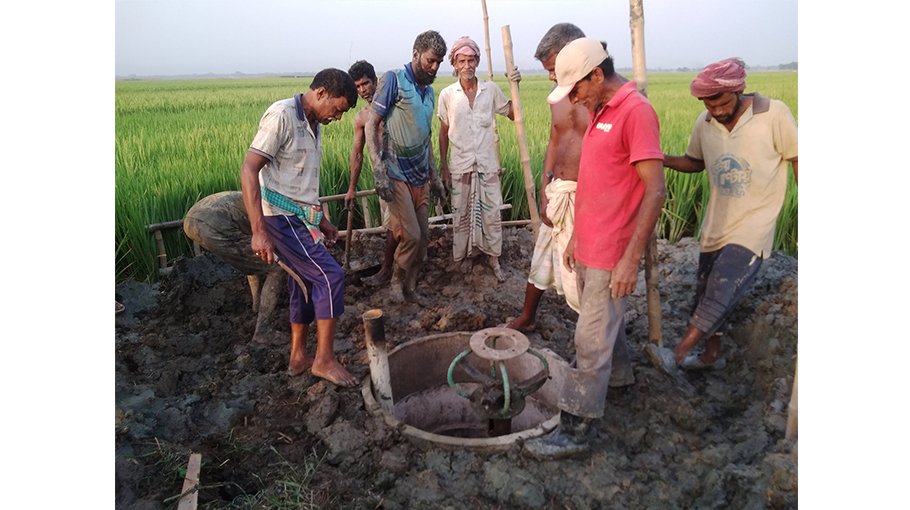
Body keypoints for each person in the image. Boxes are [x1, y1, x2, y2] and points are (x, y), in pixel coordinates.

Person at [523, 38, 666, 459]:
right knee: (603, 328)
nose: (573, 100)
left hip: (613, 252)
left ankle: (577, 431)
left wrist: (630, 259)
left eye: (577, 90)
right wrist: (578, 237)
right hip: (590, 244)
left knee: (588, 340)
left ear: (597, 75)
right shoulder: (601, 110)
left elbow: (654, 190)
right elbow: (596, 180)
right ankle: (618, 382)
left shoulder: (635, 111)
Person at [646, 57, 798, 372]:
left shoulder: (773, 114)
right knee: (705, 291)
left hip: (754, 224)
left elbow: (797, 157)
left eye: (722, 102)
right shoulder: (704, 123)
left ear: (738, 90)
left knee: (721, 288)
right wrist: (659, 158)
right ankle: (711, 356)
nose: (716, 110)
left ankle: (676, 355)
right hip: (716, 224)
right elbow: (695, 162)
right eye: (709, 104)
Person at [240, 68, 359, 387]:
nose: (338, 117)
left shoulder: (314, 123)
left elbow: (299, 182)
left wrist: (322, 220)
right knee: (330, 277)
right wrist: (258, 231)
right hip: (280, 218)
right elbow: (249, 170)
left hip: (299, 218)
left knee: (304, 283)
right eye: (338, 109)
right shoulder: (282, 116)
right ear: (321, 93)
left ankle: (297, 357)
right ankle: (324, 359)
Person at [506, 22, 587, 330]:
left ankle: (592, 333)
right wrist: (544, 185)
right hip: (559, 190)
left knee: (579, 270)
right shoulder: (557, 96)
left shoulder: (598, 98)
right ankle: (527, 316)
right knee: (542, 255)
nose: (552, 76)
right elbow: (555, 139)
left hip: (585, 194)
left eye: (554, 68)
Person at [365, 30, 448, 302]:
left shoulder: (430, 92)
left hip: (420, 177)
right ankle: (396, 283)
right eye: (430, 60)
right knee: (410, 235)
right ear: (415, 54)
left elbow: (426, 139)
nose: (434, 67)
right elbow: (371, 124)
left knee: (422, 241)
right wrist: (378, 170)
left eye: (438, 62)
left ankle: (411, 288)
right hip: (396, 174)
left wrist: (435, 177)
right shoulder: (394, 80)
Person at [437, 36, 518, 282]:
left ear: (477, 61)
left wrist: (515, 85)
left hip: (487, 164)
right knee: (461, 213)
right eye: (462, 61)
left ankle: (493, 258)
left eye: (471, 60)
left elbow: (513, 114)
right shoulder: (448, 95)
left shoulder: (490, 90)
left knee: (491, 213)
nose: (467, 65)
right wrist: (444, 167)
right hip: (460, 163)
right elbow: (443, 132)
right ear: (454, 64)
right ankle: (462, 257)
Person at [184, 191, 287, 345]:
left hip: (191, 220)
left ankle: (256, 306)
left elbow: (252, 256)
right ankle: (263, 331)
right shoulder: (271, 211)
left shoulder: (251, 200)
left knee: (253, 259)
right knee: (276, 269)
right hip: (213, 223)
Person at [344, 60, 399, 286]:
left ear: (375, 80)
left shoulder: (394, 108)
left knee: (400, 225)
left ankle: (389, 270)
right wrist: (351, 188)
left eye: (365, 83)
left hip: (403, 173)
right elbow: (357, 154)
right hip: (383, 179)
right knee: (392, 226)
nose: (363, 90)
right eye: (357, 86)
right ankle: (393, 269)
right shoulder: (362, 117)